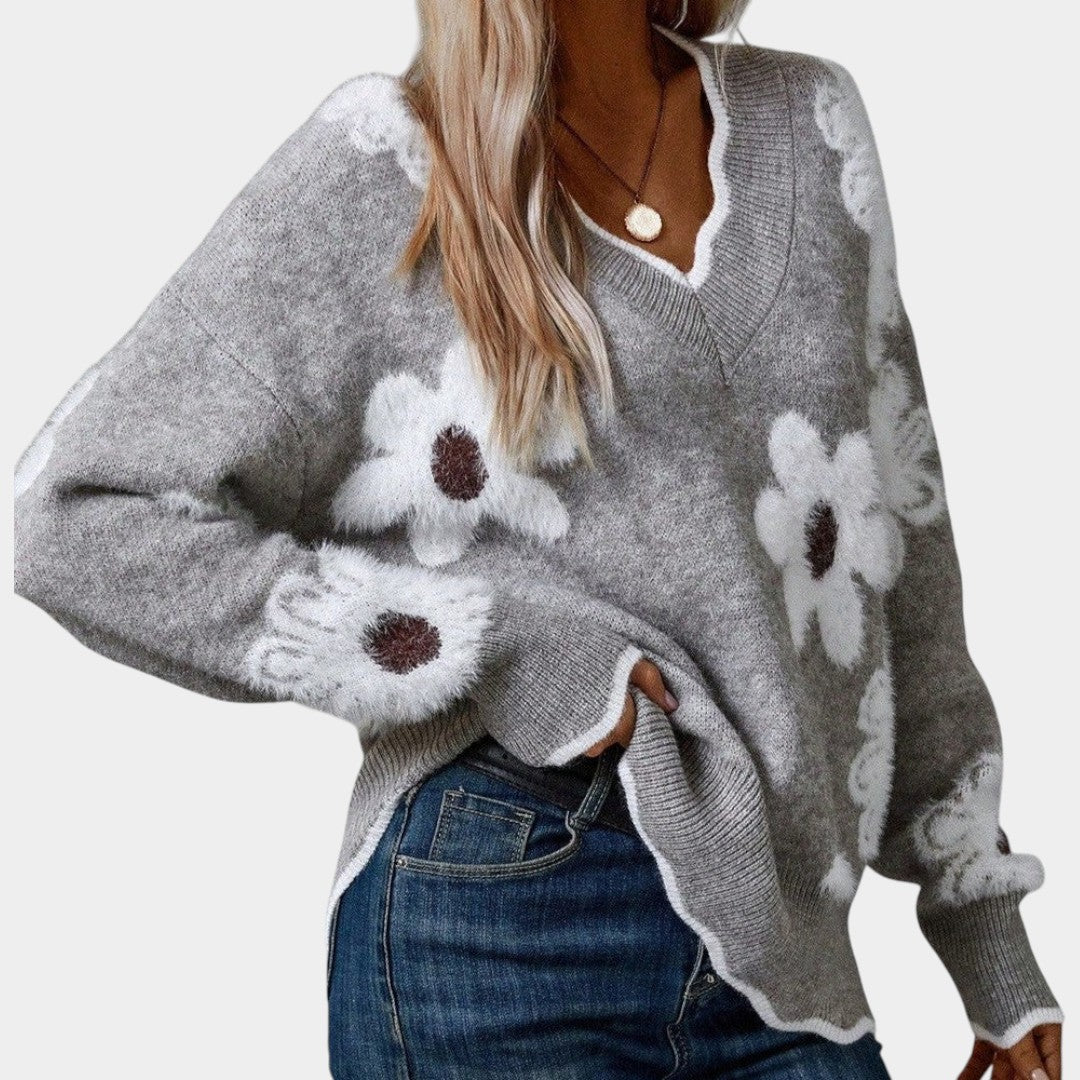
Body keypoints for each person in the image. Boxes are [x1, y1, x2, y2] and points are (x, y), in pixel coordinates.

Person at [13, 1, 1065, 1077]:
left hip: (788, 955)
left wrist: (981, 917)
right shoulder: (386, 166)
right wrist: (497, 646)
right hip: (499, 915)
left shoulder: (809, 124)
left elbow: (902, 548)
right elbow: (81, 514)